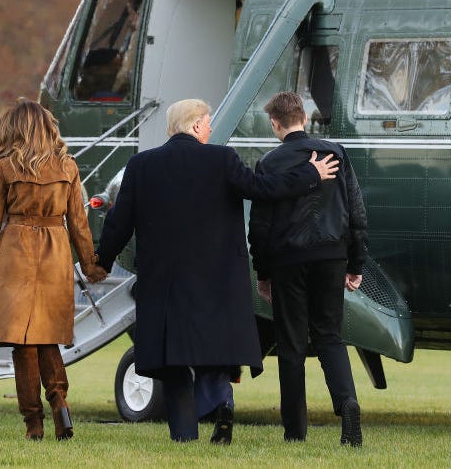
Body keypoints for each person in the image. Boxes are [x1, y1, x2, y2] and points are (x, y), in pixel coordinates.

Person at [94, 98, 340, 444]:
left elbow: (118, 224)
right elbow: (263, 190)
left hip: (165, 282)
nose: (210, 128)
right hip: (217, 278)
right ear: (195, 126)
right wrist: (311, 175)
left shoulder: (141, 165)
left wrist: (101, 261)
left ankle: (184, 434)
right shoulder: (221, 160)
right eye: (207, 122)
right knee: (214, 350)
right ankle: (222, 403)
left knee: (174, 360)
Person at [0, 98, 106, 441]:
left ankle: (33, 424)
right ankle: (60, 405)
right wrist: (90, 265)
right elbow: (79, 224)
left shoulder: (7, 168)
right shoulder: (67, 167)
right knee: (48, 339)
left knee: (22, 343)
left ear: (16, 129)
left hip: (16, 253)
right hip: (54, 252)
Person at [247, 91, 368, 447]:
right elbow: (357, 212)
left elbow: (260, 227)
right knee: (330, 335)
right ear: (304, 116)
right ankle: (347, 402)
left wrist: (263, 272)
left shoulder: (269, 163)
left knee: (291, 344)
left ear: (275, 123)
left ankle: (295, 429)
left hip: (288, 261)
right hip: (332, 257)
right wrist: (356, 262)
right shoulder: (336, 153)